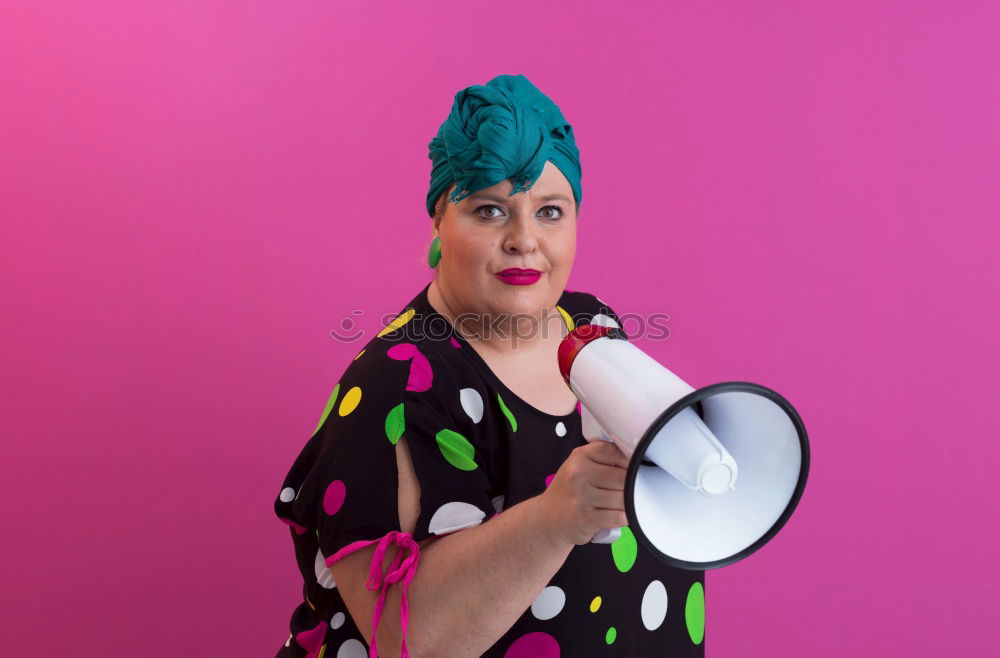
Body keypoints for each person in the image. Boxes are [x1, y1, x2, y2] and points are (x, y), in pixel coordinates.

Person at [274, 74, 706, 657]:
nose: (524, 240)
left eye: (550, 211)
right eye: (489, 210)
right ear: (438, 221)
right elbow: (409, 638)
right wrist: (557, 517)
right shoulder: (396, 385)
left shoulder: (592, 326)